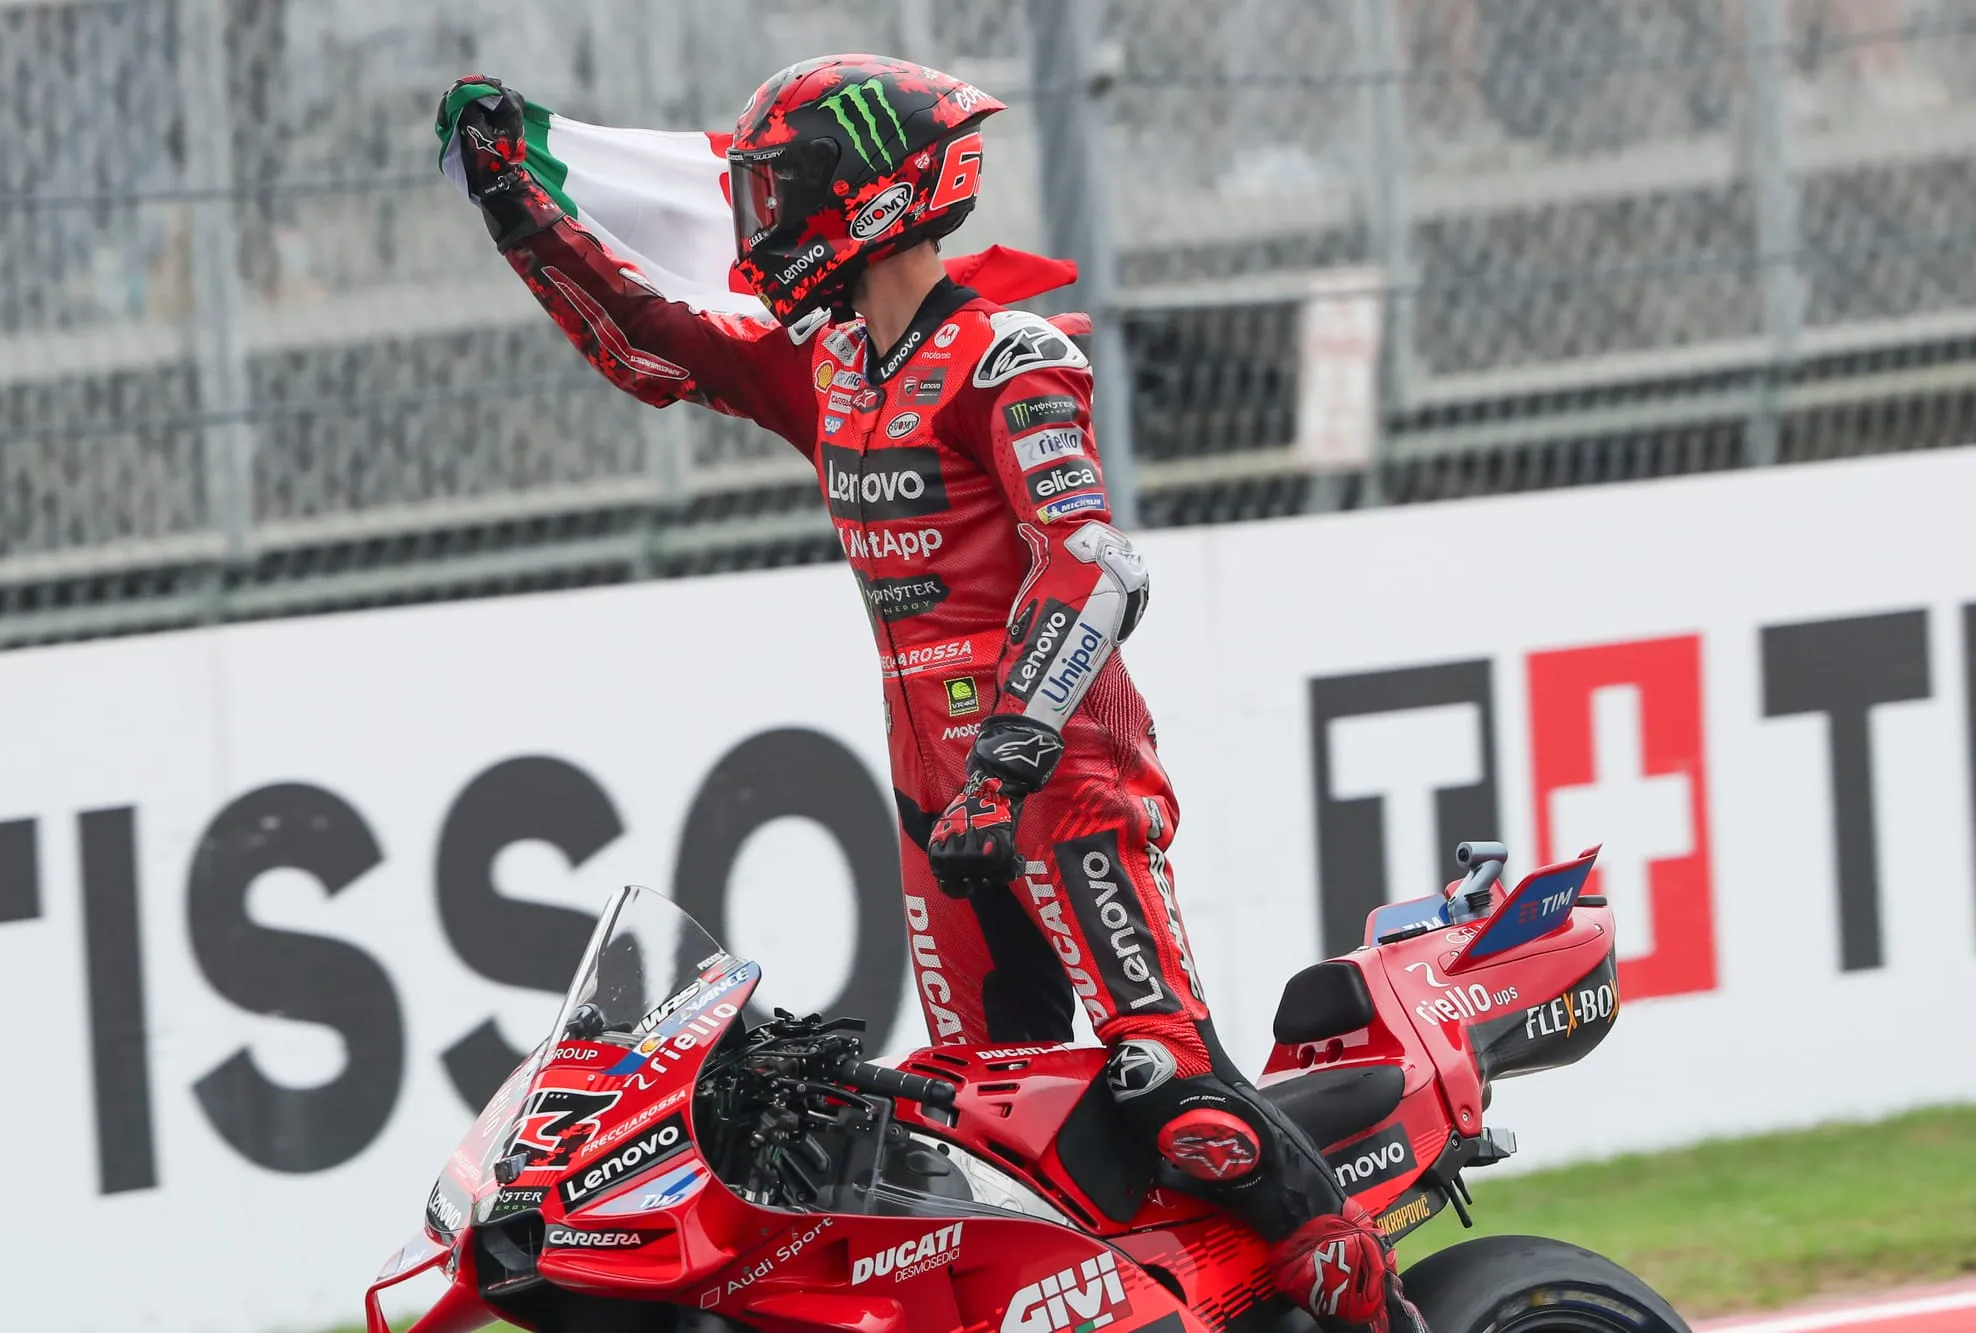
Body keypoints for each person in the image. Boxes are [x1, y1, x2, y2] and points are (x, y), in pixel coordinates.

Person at [438, 56, 1426, 1333]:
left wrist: (1009, 760)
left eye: (778, 189)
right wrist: (521, 210)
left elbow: (1094, 564)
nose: (756, 219)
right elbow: (652, 337)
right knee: (971, 1125)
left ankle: (1376, 1309)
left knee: (1174, 1099)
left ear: (865, 193)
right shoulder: (829, 365)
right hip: (931, 812)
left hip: (1059, 792)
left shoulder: (1009, 357)